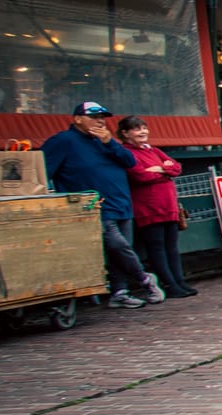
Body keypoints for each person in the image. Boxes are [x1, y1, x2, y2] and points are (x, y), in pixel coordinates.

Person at [44, 101, 164, 309]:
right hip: (93, 205)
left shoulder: (107, 140)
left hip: (121, 202)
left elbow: (130, 162)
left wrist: (110, 142)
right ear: (78, 119)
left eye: (102, 118)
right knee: (117, 245)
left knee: (120, 250)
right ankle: (145, 279)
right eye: (94, 117)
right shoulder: (63, 141)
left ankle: (120, 291)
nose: (99, 121)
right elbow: (43, 169)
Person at [119, 115, 194, 298]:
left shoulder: (153, 150)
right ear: (125, 133)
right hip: (148, 208)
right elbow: (139, 176)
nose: (143, 132)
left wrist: (160, 169)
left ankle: (179, 281)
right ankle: (169, 284)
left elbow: (176, 168)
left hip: (168, 206)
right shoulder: (127, 153)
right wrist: (164, 169)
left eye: (144, 128)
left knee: (172, 247)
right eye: (137, 129)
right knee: (157, 247)